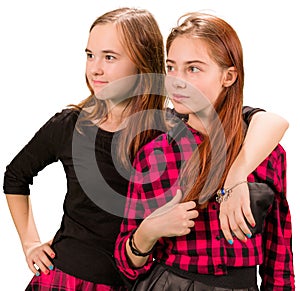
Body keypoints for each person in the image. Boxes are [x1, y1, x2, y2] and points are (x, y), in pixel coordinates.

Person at [3, 7, 288, 291]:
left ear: (141, 63)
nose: (95, 68)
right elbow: (15, 176)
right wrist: (30, 243)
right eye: (90, 55)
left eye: (110, 57)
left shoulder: (166, 126)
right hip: (72, 274)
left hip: (131, 282)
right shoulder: (75, 127)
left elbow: (265, 121)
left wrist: (237, 175)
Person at [114, 12, 295, 290]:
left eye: (193, 69)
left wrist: (236, 179)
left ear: (229, 76)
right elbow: (126, 266)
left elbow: (279, 254)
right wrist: (148, 232)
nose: (177, 81)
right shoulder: (154, 153)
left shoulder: (267, 152)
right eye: (171, 67)